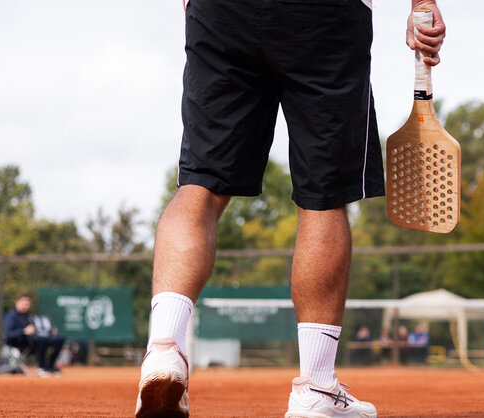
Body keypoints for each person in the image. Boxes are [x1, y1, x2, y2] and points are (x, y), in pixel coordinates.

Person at [134, 1, 447, 417]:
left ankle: (164, 351)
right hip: (324, 16)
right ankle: (316, 388)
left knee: (200, 184)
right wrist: (422, 4)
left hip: (220, 13)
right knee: (324, 198)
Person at [3, 293, 66, 376]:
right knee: (41, 340)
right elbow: (8, 334)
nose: (27, 305)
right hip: (20, 344)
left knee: (60, 339)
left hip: (34, 340)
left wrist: (49, 330)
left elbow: (37, 328)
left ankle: (50, 366)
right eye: (24, 303)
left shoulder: (29, 315)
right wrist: (23, 331)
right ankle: (41, 367)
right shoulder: (11, 316)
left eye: (28, 303)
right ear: (17, 302)